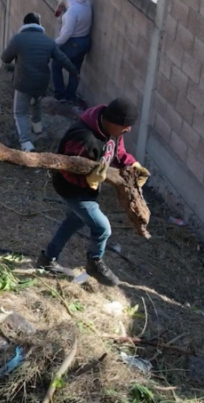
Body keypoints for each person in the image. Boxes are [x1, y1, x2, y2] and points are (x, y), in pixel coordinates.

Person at [37, 99, 150, 286]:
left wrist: (132, 165)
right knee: (102, 227)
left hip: (88, 188)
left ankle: (47, 259)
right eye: (126, 126)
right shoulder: (83, 138)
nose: (128, 130)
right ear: (114, 122)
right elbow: (66, 169)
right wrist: (87, 180)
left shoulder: (112, 131)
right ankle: (94, 262)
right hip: (72, 188)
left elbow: (118, 152)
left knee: (73, 222)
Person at [1, 12, 79, 152]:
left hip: (23, 82)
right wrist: (74, 71)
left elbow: (5, 58)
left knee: (20, 113)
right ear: (39, 25)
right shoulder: (48, 41)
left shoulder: (18, 39)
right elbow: (62, 58)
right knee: (35, 101)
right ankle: (37, 126)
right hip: (42, 82)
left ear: (24, 24)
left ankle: (25, 142)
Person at [52, 0, 93, 104]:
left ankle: (60, 94)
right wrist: (64, 8)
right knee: (75, 69)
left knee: (56, 64)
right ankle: (70, 95)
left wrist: (55, 43)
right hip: (85, 41)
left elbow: (67, 33)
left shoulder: (72, 12)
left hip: (73, 42)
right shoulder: (87, 5)